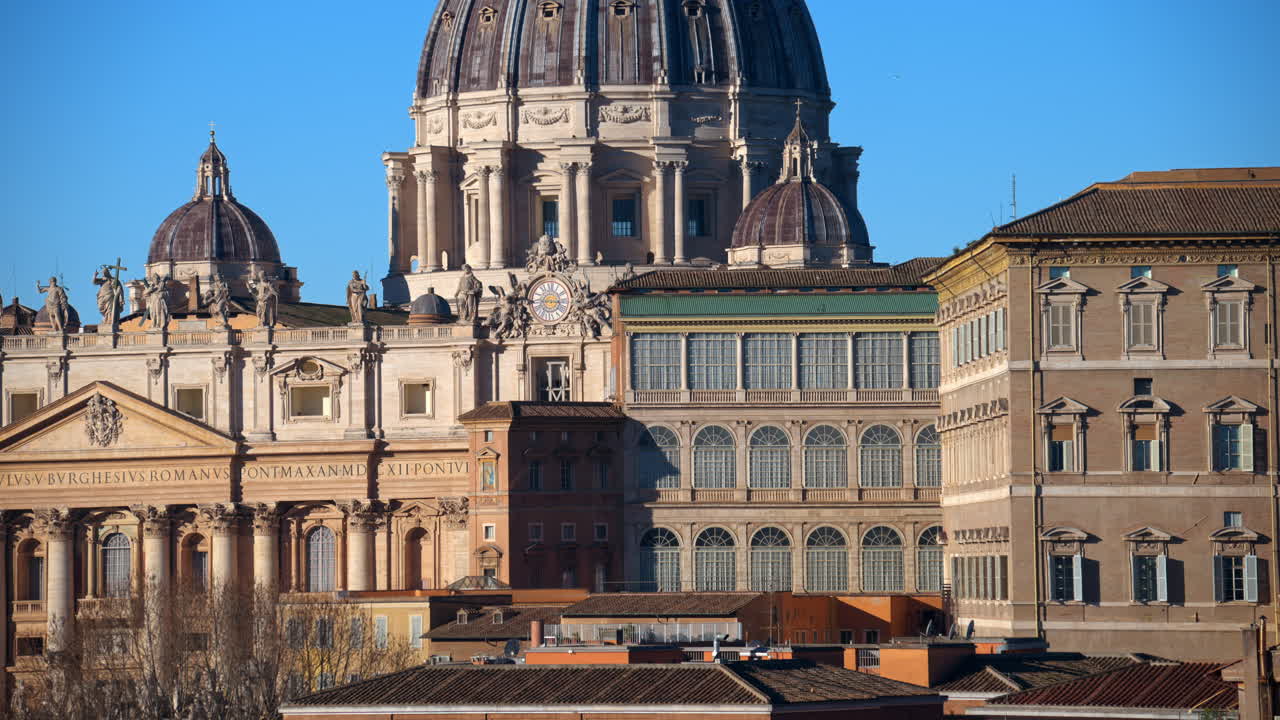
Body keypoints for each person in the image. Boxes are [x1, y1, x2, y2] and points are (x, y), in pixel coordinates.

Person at [92, 265, 124, 330]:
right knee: (101, 307)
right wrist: (95, 275)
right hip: (101, 296)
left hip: (110, 296)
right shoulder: (102, 280)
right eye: (102, 272)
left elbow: (119, 288)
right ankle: (106, 320)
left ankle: (109, 321)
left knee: (109, 309)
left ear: (107, 272)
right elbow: (94, 282)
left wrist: (118, 292)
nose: (103, 273)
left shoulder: (113, 280)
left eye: (104, 272)